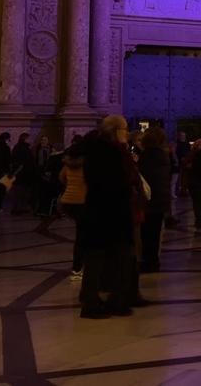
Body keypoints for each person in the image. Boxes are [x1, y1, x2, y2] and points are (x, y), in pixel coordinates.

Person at [76, 116, 137, 319]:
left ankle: (92, 299)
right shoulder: (112, 152)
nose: (126, 133)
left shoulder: (95, 149)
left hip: (98, 210)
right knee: (117, 257)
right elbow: (117, 182)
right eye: (124, 129)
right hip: (111, 211)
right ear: (115, 131)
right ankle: (108, 302)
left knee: (97, 257)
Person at [137, 127, 172, 273]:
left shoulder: (146, 156)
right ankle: (153, 261)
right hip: (160, 199)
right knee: (155, 232)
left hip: (149, 199)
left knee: (147, 233)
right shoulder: (163, 155)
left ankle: (149, 261)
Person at [59, 140, 88, 280]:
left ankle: (78, 267)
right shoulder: (87, 165)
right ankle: (78, 268)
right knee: (83, 236)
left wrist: (71, 185)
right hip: (83, 202)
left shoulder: (67, 165)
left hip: (68, 201)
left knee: (81, 235)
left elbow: (61, 178)